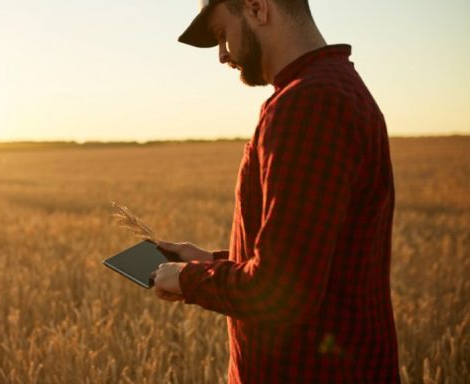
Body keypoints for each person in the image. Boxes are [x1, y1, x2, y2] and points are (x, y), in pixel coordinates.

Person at [150, 0, 400, 382]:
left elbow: (282, 292)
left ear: (257, 8)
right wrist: (211, 261)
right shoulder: (331, 87)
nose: (222, 55)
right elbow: (309, 261)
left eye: (221, 35)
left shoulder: (307, 104)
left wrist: (187, 279)